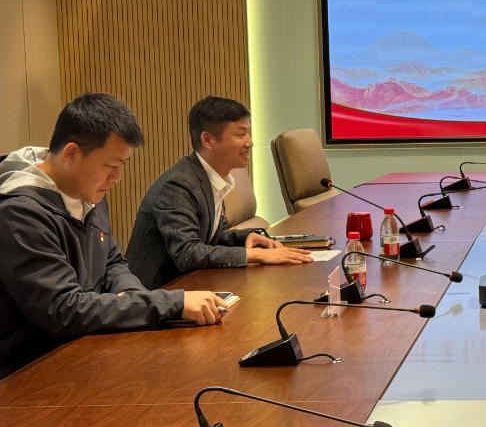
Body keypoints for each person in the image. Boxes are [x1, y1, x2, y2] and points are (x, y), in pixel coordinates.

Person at [0, 93, 226, 379]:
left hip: (85, 351)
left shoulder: (87, 192)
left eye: (122, 165)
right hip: (29, 374)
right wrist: (170, 304)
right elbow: (64, 309)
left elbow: (113, 262)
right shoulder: (20, 212)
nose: (117, 178)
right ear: (71, 154)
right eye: (110, 166)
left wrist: (136, 299)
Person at [127, 96, 311, 291]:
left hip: (192, 285)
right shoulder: (179, 185)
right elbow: (187, 253)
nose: (250, 143)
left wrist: (245, 238)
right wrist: (257, 255)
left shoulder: (210, 177)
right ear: (208, 140)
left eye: (248, 133)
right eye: (241, 134)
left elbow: (213, 237)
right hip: (156, 294)